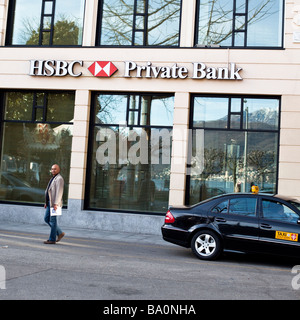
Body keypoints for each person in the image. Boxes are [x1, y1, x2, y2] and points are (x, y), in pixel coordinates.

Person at [43, 164, 65, 244]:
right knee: (46, 219)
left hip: (54, 204)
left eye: (55, 169)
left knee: (53, 221)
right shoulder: (53, 178)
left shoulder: (59, 179)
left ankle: (52, 239)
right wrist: (46, 202)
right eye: (52, 169)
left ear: (59, 170)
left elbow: (59, 192)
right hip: (49, 203)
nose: (53, 170)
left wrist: (56, 203)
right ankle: (59, 232)